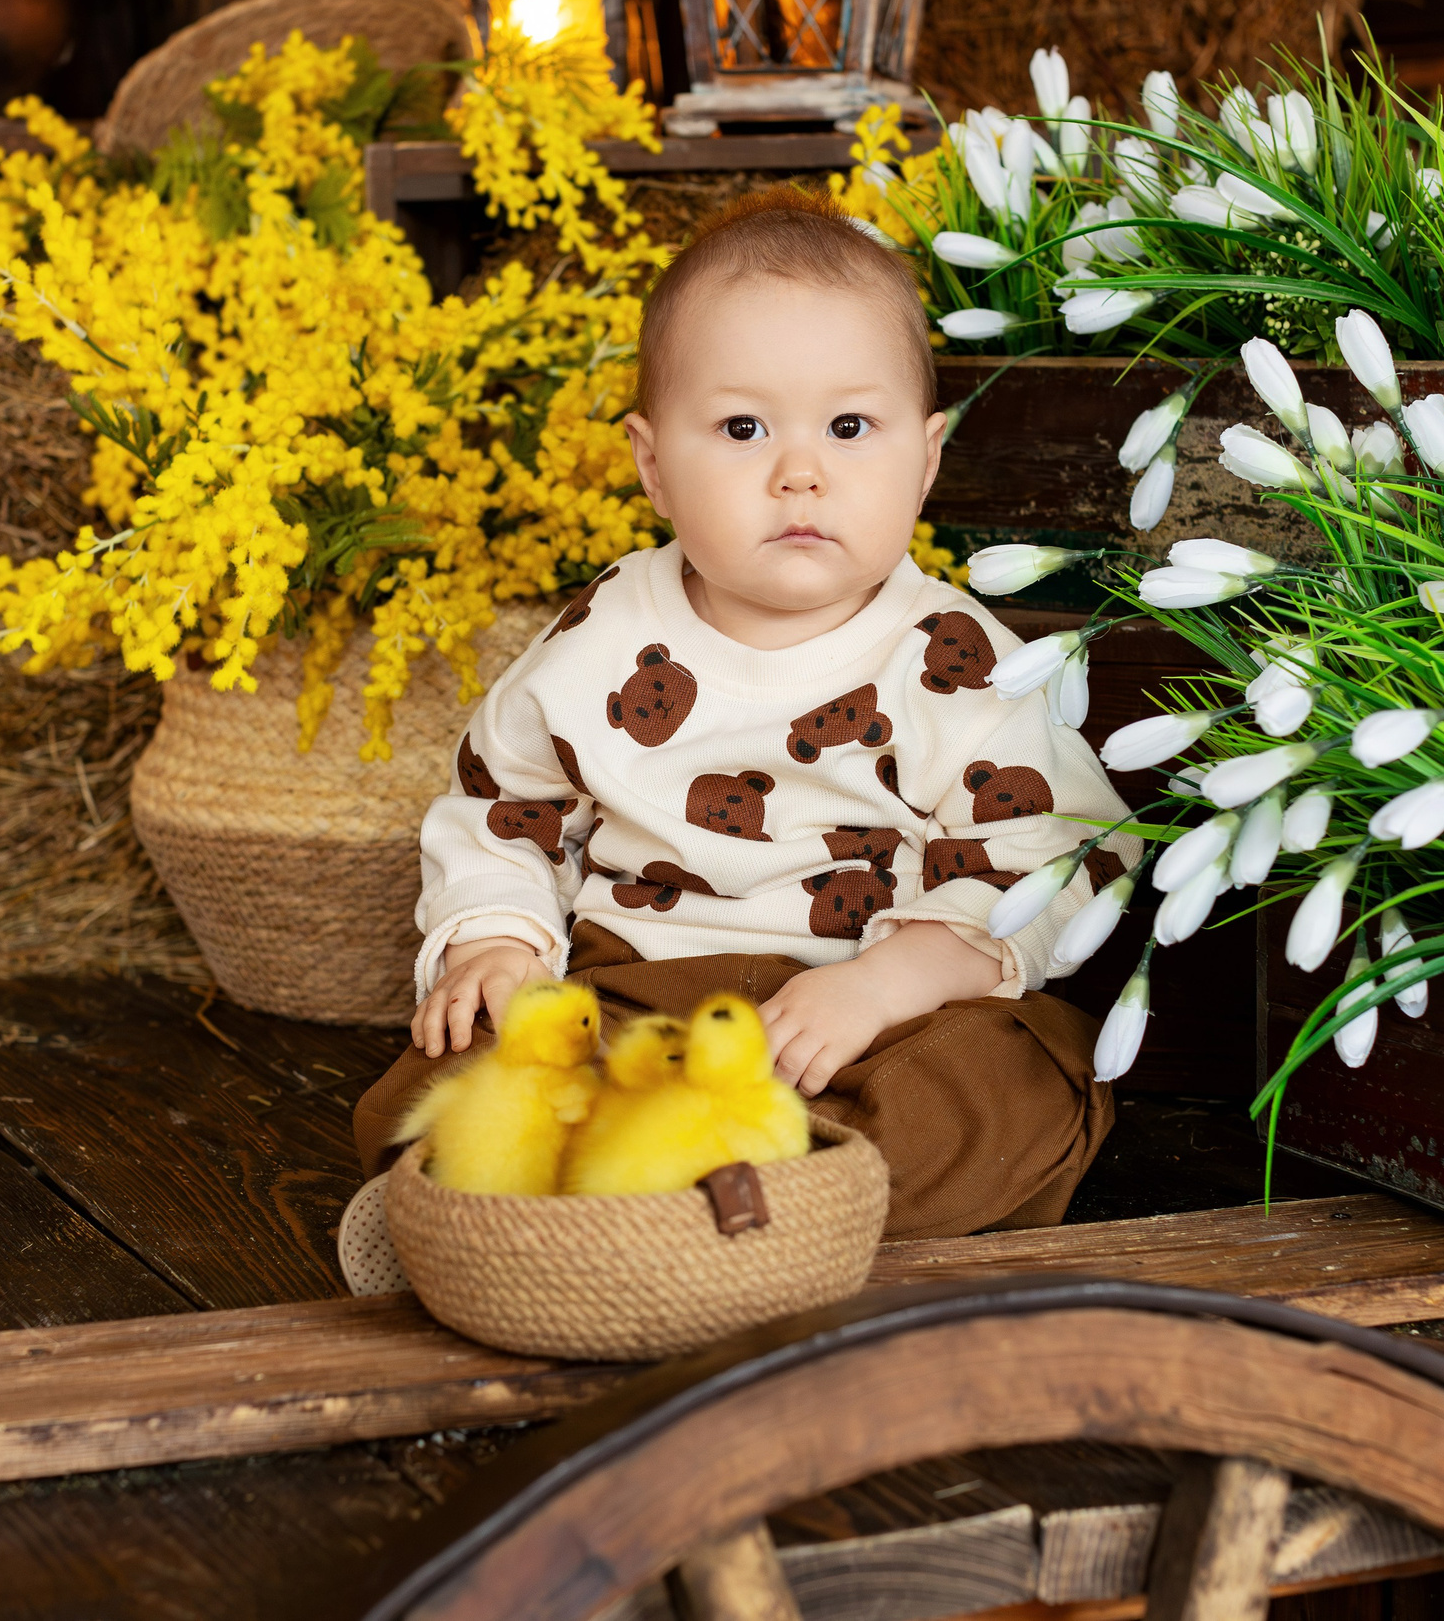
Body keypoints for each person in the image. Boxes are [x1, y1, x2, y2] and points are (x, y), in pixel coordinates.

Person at [349, 186, 1141, 1241]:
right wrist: (495, 942)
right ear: (652, 465)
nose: (799, 472)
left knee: (1013, 1084)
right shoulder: (599, 641)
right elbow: (506, 808)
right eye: (741, 427)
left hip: (871, 1024)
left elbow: (1058, 855)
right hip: (636, 1004)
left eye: (850, 426)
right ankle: (651, 1204)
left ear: (927, 457)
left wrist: (890, 982)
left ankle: (666, 1212)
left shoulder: (953, 660)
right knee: (447, 1071)